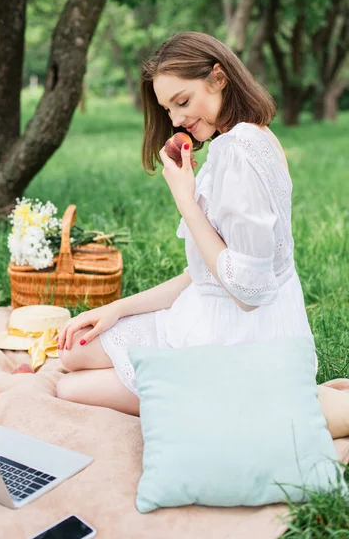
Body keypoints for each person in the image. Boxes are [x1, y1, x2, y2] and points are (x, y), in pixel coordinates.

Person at [55, 31, 348, 434]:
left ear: (218, 78)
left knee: (70, 387)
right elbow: (207, 273)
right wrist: (117, 309)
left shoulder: (238, 151)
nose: (176, 121)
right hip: (206, 314)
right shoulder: (246, 139)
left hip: (239, 340)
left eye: (183, 102)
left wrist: (185, 200)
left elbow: (249, 292)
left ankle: (291, 403)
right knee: (72, 356)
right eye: (167, 108)